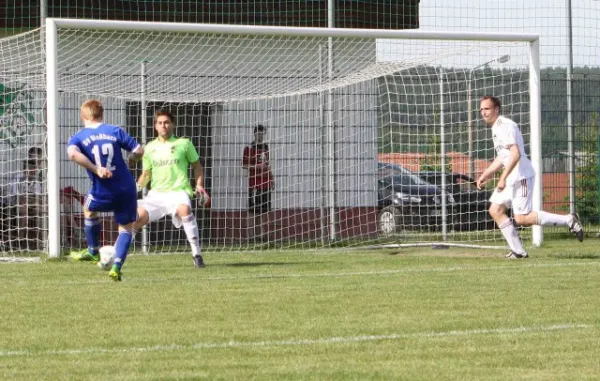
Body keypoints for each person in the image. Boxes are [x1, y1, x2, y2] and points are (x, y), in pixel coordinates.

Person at [476, 96, 583, 259]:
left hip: (521, 176)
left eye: (487, 109)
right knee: (495, 210)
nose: (483, 112)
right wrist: (486, 174)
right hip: (511, 177)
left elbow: (515, 153)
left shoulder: (506, 125)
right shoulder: (496, 128)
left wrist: (502, 178)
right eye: (481, 109)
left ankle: (569, 220)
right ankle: (518, 251)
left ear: (496, 109)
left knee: (522, 218)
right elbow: (502, 156)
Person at [68, 99, 144, 281]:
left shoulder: (78, 136)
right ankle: (116, 267)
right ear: (102, 114)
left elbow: (72, 154)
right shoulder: (114, 130)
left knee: (89, 209)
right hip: (127, 188)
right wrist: (132, 159)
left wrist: (96, 169)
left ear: (82, 116)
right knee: (126, 228)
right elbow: (139, 150)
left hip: (103, 189)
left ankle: (93, 251)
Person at [132, 110, 207, 268]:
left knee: (184, 209)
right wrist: (135, 189)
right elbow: (146, 174)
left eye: (166, 122)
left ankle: (197, 255)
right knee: (136, 217)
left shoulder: (184, 144)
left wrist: (199, 185)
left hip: (178, 192)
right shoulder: (149, 148)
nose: (163, 125)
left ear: (172, 124)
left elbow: (197, 167)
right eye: (160, 123)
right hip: (157, 194)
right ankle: (118, 255)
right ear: (155, 126)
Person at [242, 124, 274, 241]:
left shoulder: (266, 147)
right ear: (254, 133)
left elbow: (268, 164)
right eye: (259, 133)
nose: (261, 136)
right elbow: (244, 165)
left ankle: (261, 235)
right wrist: (256, 167)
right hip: (254, 183)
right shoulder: (249, 148)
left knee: (263, 210)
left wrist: (271, 178)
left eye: (262, 133)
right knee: (252, 210)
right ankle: (250, 235)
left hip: (265, 182)